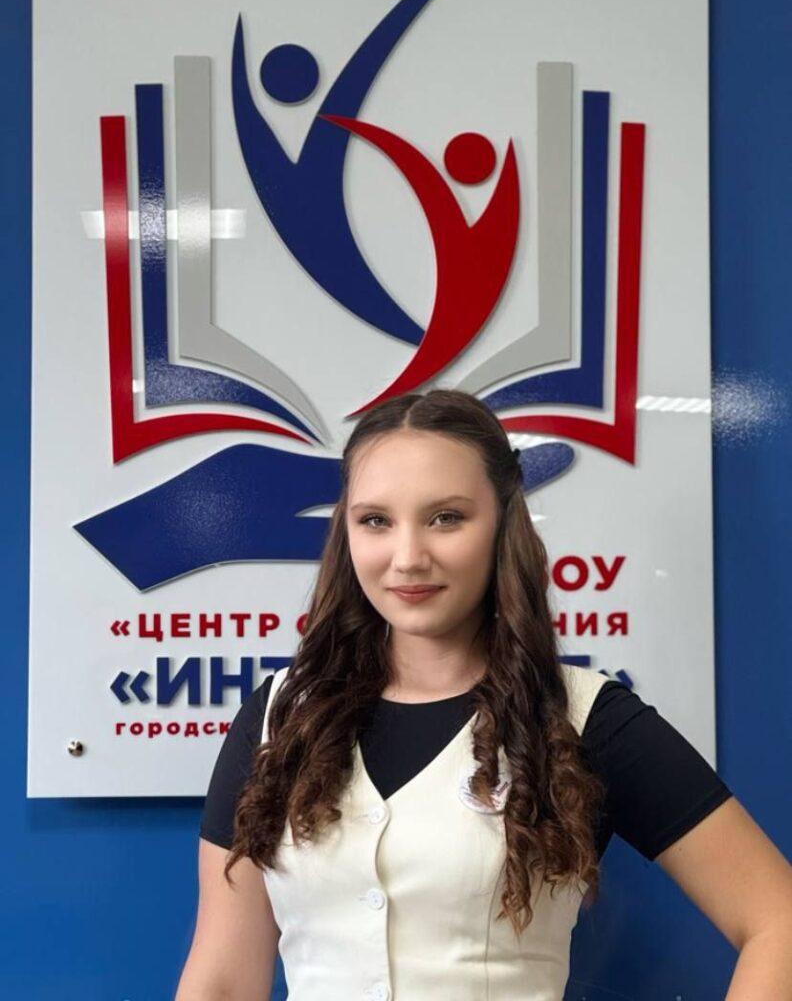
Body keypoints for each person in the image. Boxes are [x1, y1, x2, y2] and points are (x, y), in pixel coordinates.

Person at [175, 389, 792, 1000]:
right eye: (376, 521)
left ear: (502, 524)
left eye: (446, 517)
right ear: (346, 532)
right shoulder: (280, 717)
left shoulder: (585, 718)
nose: (408, 558)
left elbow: (779, 921)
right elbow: (222, 980)